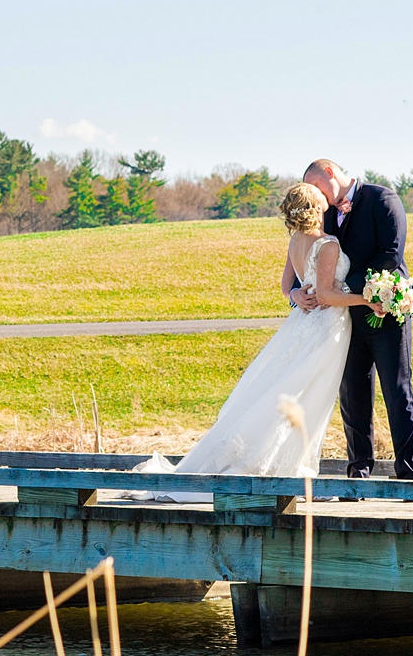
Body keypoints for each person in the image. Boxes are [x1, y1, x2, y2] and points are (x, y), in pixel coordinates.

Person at [148, 183, 367, 480]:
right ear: (315, 207)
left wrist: (296, 296)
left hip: (302, 323)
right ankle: (281, 466)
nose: (323, 194)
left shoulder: (296, 241)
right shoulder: (327, 244)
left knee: (284, 388)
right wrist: (367, 299)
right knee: (308, 395)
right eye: (318, 195)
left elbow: (285, 286)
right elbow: (326, 295)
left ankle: (281, 461)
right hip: (325, 327)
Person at [298, 158, 413, 481]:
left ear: (330, 172)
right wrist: (297, 292)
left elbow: (391, 254)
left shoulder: (383, 199)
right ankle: (359, 472)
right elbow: (309, 256)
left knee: (397, 391)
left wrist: (346, 286)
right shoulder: (322, 211)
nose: (317, 196)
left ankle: (407, 473)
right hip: (343, 318)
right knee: (352, 395)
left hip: (386, 312)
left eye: (318, 187)